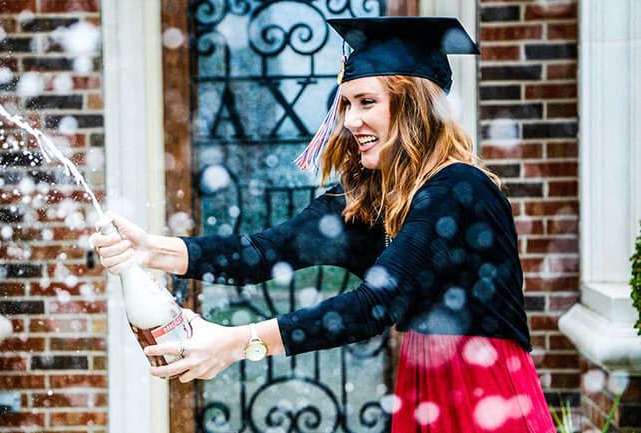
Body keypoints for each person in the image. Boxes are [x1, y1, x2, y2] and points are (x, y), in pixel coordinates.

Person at [91, 17, 556, 432]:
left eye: (367, 101)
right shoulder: (371, 197)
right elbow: (265, 252)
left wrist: (237, 343)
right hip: (423, 384)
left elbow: (377, 302)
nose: (350, 120)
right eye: (346, 103)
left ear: (415, 106)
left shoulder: (460, 188)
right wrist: (152, 249)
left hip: (484, 394)